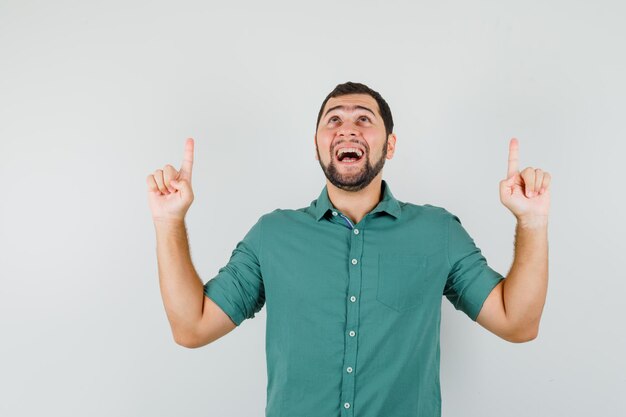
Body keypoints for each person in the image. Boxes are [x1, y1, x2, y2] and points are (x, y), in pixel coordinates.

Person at [146, 81, 551, 417]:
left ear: (389, 146)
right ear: (318, 144)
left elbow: (517, 323)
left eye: (363, 118)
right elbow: (192, 327)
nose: (347, 128)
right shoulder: (272, 235)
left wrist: (531, 222)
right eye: (333, 119)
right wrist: (169, 221)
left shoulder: (438, 232)